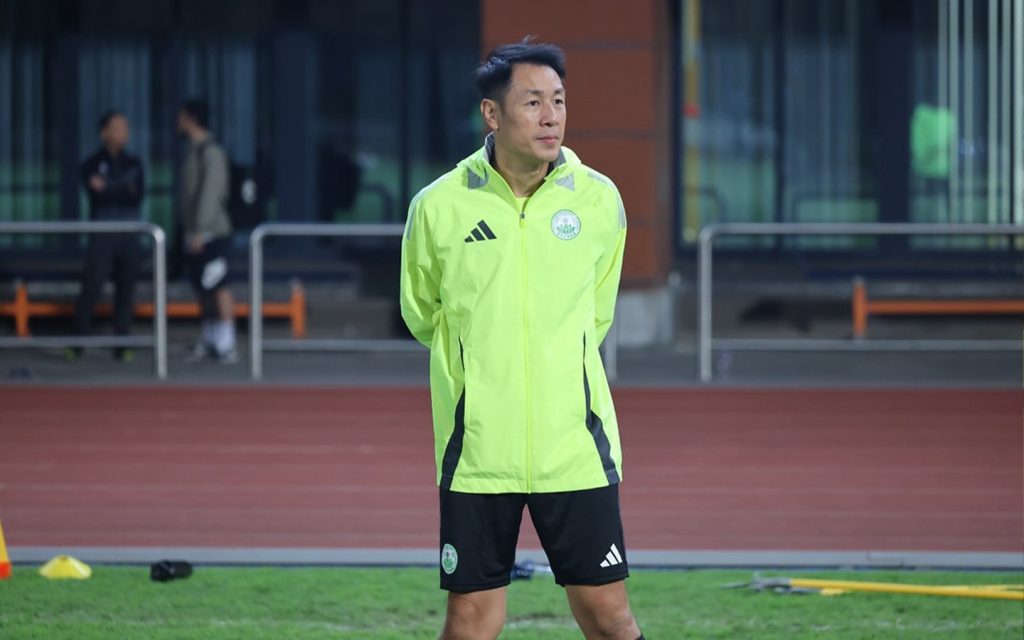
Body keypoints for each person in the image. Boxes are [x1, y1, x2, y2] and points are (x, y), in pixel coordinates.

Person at [400, 40, 643, 640]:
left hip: (575, 448)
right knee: (470, 620)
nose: (551, 116)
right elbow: (421, 312)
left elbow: (596, 313)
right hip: (479, 453)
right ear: (492, 114)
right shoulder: (439, 206)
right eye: (532, 102)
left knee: (609, 615)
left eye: (558, 101)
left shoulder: (599, 199)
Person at [71, 110, 145, 363]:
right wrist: (122, 187)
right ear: (104, 132)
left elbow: (135, 196)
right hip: (102, 233)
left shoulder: (134, 162)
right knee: (92, 286)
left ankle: (122, 343)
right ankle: (78, 341)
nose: (122, 132)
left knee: (126, 290)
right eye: (117, 127)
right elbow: (97, 195)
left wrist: (110, 187)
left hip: (129, 233)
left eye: (125, 127)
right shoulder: (92, 162)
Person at [177, 98, 237, 363]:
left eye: (181, 117)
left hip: (212, 232)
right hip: (194, 231)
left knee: (218, 284)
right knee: (203, 286)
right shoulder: (193, 150)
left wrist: (200, 229)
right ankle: (211, 337)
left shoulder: (210, 152)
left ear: (190, 118)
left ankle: (227, 342)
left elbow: (211, 193)